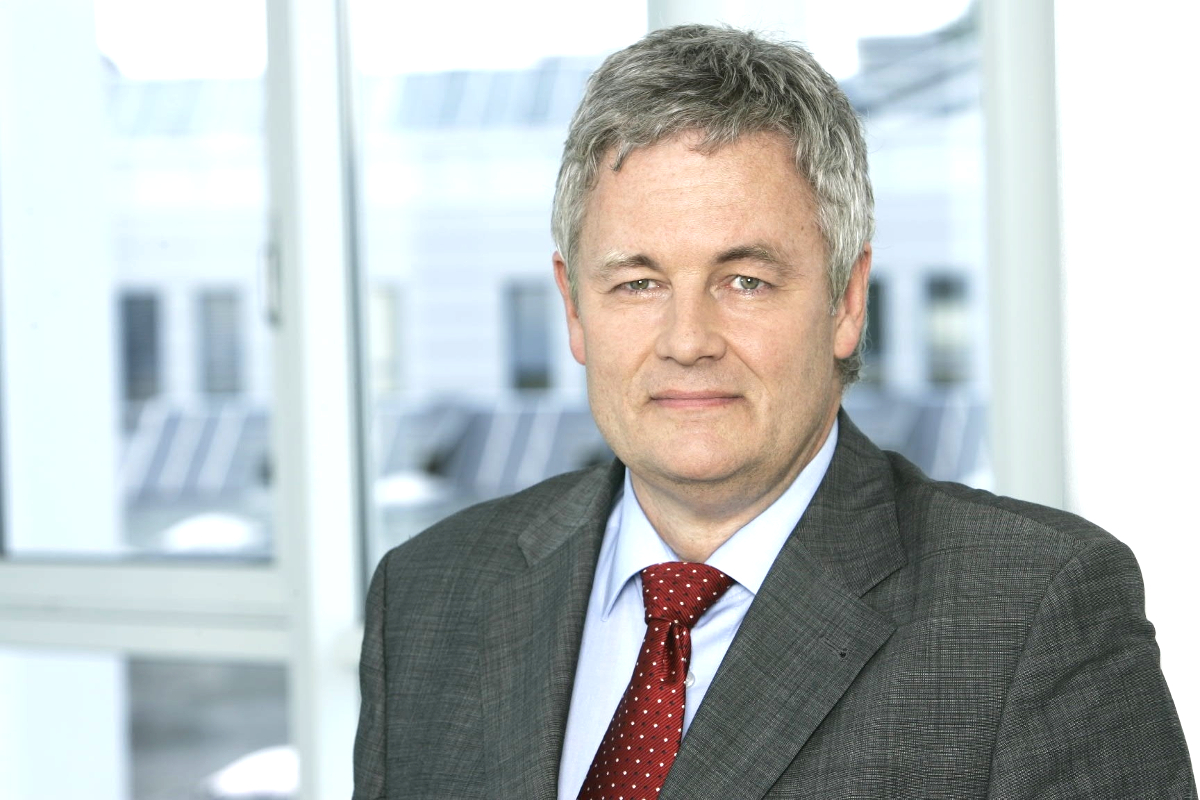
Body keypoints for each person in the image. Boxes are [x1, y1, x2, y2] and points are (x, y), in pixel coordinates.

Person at [353, 24, 1195, 800]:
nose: (687, 340)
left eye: (746, 281)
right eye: (638, 283)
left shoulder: (1033, 611)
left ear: (846, 301)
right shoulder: (428, 597)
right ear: (574, 308)